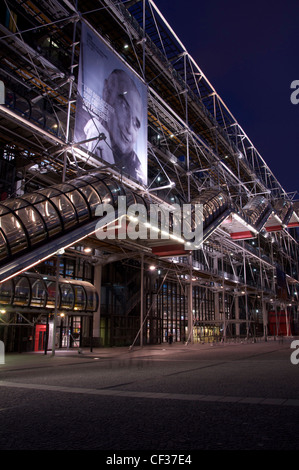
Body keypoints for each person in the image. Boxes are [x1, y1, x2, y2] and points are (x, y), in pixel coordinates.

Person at [83, 69, 146, 184]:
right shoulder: (82, 126)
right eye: (125, 107)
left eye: (136, 124)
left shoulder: (138, 172)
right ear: (107, 93)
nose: (129, 129)